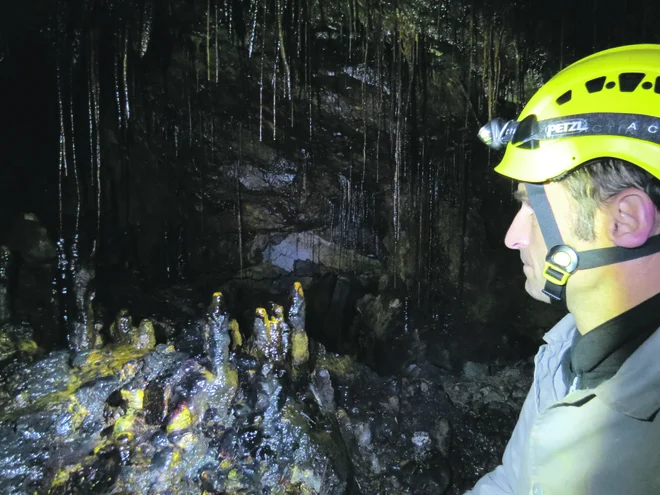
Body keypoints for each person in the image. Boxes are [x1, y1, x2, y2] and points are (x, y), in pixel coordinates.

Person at [467, 44, 660, 494]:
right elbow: (512, 485)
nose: (512, 237)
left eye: (531, 207)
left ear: (626, 219)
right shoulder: (567, 351)